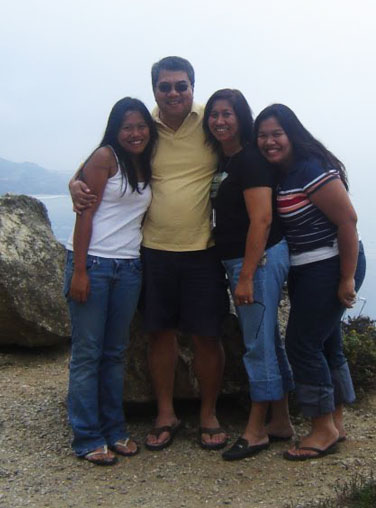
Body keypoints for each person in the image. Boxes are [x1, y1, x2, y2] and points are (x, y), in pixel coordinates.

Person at [71, 57, 229, 451]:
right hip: (152, 252)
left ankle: (209, 415)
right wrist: (74, 183)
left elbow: (245, 154)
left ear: (193, 85)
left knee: (208, 336)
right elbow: (99, 164)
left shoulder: (210, 121)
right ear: (154, 88)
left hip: (202, 249)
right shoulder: (146, 128)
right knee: (158, 335)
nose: (174, 93)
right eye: (165, 86)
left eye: (181, 85)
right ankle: (164, 413)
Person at [253, 103, 366, 461]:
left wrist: (346, 278)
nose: (269, 142)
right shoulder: (285, 173)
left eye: (276, 134)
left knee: (301, 344)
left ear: (292, 134)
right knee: (326, 342)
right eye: (262, 136)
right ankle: (335, 420)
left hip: (331, 265)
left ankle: (322, 429)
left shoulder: (310, 170)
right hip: (309, 269)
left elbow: (348, 221)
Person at [202, 89, 295, 461]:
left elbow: (262, 219)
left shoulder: (251, 161)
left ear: (242, 118)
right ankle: (282, 421)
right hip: (240, 260)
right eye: (214, 114)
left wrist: (246, 276)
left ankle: (256, 430)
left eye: (228, 113)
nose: (220, 120)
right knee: (267, 338)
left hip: (256, 260)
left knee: (256, 343)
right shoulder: (227, 159)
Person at [64, 97, 156, 466]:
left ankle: (115, 430)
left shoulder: (144, 162)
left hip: (129, 267)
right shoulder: (106, 157)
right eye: (127, 127)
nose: (135, 134)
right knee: (88, 354)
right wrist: (81, 271)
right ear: (115, 130)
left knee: (114, 354)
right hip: (95, 264)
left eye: (140, 127)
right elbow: (84, 216)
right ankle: (87, 436)